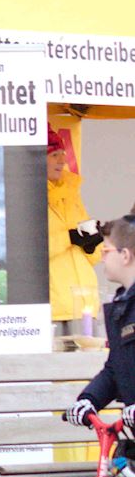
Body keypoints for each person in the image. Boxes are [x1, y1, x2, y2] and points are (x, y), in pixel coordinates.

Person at [66, 216, 135, 456]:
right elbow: (116, 368)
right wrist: (89, 399)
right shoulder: (121, 307)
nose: (102, 256)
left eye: (106, 250)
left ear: (125, 255)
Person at [48, 127, 102, 327]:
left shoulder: (71, 194)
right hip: (55, 309)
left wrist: (92, 243)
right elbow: (29, 252)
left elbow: (94, 258)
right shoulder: (29, 196)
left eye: (63, 154)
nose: (62, 161)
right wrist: (68, 238)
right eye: (54, 155)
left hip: (86, 303)